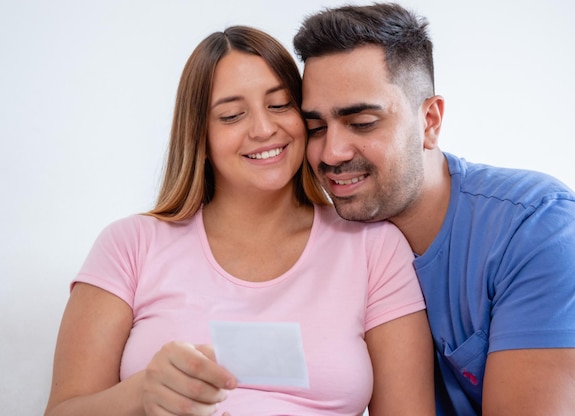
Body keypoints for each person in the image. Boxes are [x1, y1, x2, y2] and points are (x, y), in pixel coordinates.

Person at [44, 26, 435, 416]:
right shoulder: (130, 245)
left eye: (280, 105)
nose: (264, 129)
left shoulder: (375, 249)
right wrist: (141, 393)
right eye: (231, 115)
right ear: (200, 135)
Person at [294, 3, 575, 415]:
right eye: (315, 128)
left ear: (430, 121)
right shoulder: (338, 245)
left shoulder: (542, 230)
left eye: (362, 123)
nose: (332, 152)